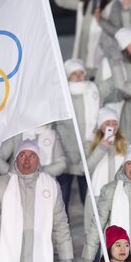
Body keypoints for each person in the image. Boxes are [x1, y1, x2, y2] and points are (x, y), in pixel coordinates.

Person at [54, 0, 130, 73]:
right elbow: (61, 1)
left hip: (98, 60)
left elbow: (117, 32)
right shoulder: (85, 0)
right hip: (81, 56)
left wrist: (101, 20)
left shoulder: (113, 4)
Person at [55, 59, 100, 216]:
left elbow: (97, 116)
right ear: (67, 75)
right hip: (66, 149)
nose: (79, 76)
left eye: (81, 73)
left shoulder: (92, 90)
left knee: (86, 190)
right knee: (63, 193)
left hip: (86, 148)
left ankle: (90, 221)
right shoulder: (61, 93)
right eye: (74, 73)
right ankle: (63, 224)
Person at [84, 108, 129, 260]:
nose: (111, 126)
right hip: (96, 196)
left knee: (114, 238)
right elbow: (85, 168)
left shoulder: (124, 143)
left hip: (118, 196)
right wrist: (102, 147)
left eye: (114, 123)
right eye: (107, 123)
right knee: (94, 237)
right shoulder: (90, 143)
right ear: (100, 125)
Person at [96, 28, 131, 143]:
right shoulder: (109, 63)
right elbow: (99, 92)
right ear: (124, 45)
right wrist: (120, 94)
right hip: (114, 110)